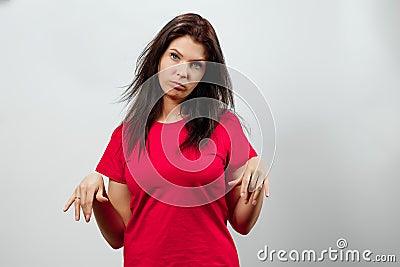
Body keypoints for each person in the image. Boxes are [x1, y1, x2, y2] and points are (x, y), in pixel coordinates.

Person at [63, 13, 269, 267]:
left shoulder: (224, 126)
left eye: (196, 65)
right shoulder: (126, 135)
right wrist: (97, 195)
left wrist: (257, 176)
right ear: (158, 58)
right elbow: (119, 236)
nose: (182, 73)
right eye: (174, 56)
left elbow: (242, 223)